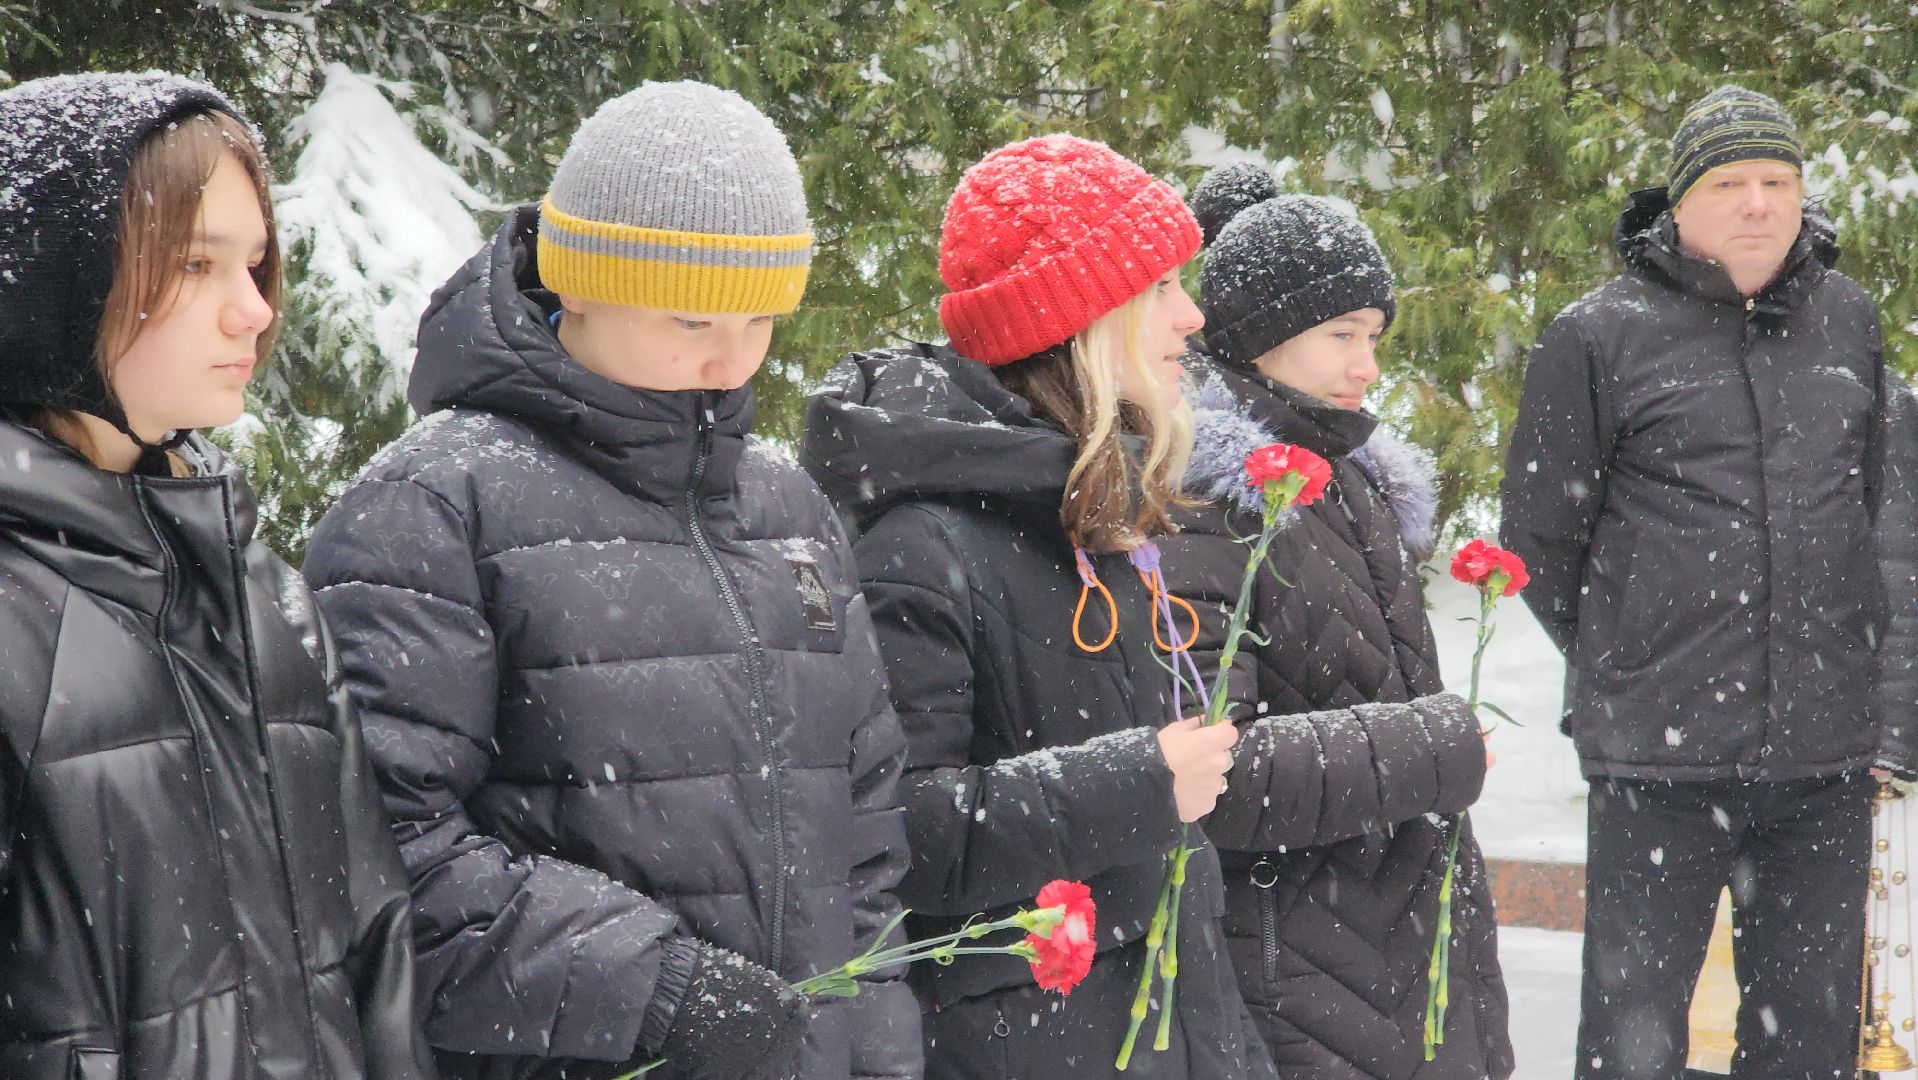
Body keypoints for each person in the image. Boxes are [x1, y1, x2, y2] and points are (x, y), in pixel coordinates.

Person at [303, 82, 920, 1080]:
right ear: (580, 282)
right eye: (689, 320)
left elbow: (866, 842)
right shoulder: (436, 503)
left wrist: (879, 1058)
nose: (732, 358)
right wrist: (654, 989)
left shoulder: (785, 511)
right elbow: (372, 850)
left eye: (759, 319)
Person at [802, 133, 1274, 1079]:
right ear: (1081, 320)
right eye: (1160, 289)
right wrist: (1136, 785)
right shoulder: (920, 546)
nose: (1192, 316)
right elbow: (892, 837)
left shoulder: (1100, 517)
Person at [0, 72, 435, 1080]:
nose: (252, 312)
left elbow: (377, 948)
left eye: (256, 265)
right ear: (52, 278)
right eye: (196, 265)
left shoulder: (257, 588)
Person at [1500, 85, 1918, 1079]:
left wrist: (1886, 715)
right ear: (1678, 202)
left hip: (1824, 767)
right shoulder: (1594, 337)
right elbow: (1540, 541)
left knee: (1807, 1052)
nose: (1758, 203)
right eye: (1729, 182)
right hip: (1659, 771)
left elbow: (1890, 528)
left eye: (1777, 180)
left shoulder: (1847, 322)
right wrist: (1631, 665)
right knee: (1633, 1044)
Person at [1157, 164, 1513, 1080]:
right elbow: (1213, 776)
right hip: (1295, 971)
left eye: (1375, 335)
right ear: (1260, 339)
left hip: (1408, 951)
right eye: (1340, 334)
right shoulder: (1208, 501)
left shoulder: (1352, 484)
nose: (1368, 364)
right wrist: (1434, 751)